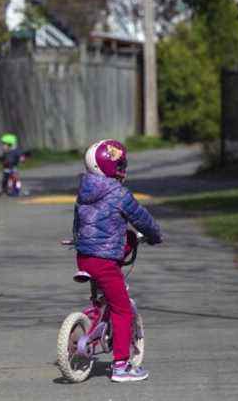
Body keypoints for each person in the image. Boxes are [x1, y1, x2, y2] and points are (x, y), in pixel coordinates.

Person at [72, 139, 163, 382]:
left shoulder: (83, 191)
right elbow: (142, 218)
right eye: (120, 165)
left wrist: (77, 240)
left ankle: (91, 320)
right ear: (113, 167)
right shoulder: (119, 193)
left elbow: (78, 223)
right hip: (105, 260)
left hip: (84, 257)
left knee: (102, 296)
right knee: (122, 309)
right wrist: (155, 235)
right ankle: (121, 366)